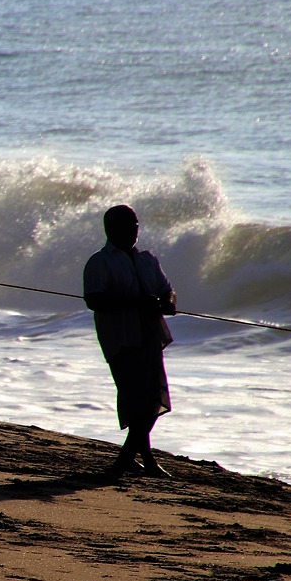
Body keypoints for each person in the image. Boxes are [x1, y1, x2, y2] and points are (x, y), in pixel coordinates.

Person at [83, 204, 177, 477]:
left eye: (135, 224)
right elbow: (94, 299)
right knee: (138, 400)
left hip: (149, 336)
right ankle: (129, 458)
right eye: (127, 224)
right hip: (120, 338)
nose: (133, 229)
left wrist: (168, 303)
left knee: (149, 399)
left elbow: (167, 290)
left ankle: (140, 459)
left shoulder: (147, 259)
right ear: (110, 228)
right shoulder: (99, 262)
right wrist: (136, 302)